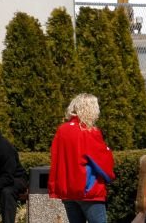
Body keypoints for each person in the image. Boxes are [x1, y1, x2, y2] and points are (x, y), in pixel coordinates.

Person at [48, 93, 115, 223]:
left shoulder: (62, 130)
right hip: (88, 191)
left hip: (67, 191)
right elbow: (102, 163)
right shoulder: (89, 131)